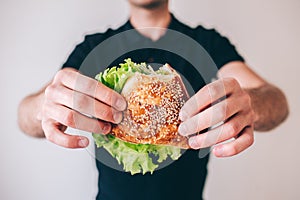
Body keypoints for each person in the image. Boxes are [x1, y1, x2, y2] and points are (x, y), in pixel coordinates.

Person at [18, 0, 289, 199]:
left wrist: (249, 105)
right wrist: (44, 106)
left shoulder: (207, 42)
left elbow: (274, 100)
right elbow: (25, 116)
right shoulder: (94, 47)